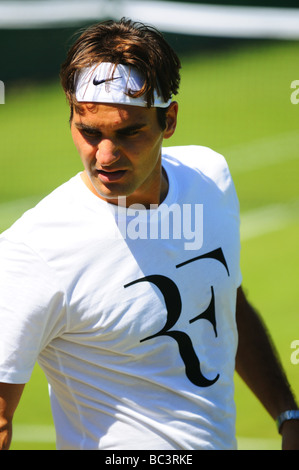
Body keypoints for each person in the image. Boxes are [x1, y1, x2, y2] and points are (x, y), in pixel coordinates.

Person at [0, 18, 298, 451]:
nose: (104, 156)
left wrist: (288, 414)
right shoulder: (34, 251)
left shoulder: (210, 177)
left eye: (128, 132)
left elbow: (223, 298)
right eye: (89, 132)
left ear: (169, 120)